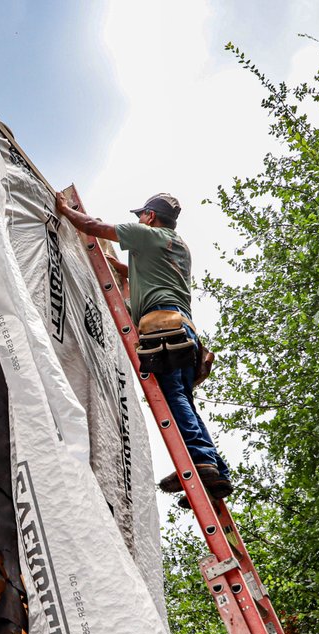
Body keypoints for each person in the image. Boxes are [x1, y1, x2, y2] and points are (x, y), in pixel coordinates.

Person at [53, 191, 232, 501]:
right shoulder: (177, 245)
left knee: (173, 397)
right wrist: (121, 268)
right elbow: (151, 274)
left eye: (140, 215)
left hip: (164, 329)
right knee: (183, 399)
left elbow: (94, 226)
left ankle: (200, 461)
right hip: (185, 333)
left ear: (150, 216)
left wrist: (65, 211)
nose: (137, 220)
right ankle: (215, 468)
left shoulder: (145, 234)